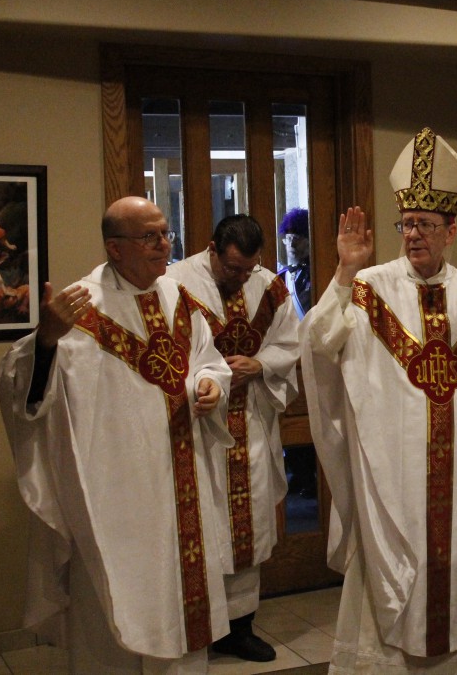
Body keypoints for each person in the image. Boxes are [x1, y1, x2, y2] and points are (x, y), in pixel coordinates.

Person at [300, 127, 457, 673]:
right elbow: (319, 345)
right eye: (407, 224)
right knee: (392, 574)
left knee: (455, 570)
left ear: (452, 230)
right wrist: (344, 271)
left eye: (426, 225)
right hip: (390, 469)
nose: (414, 234)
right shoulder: (368, 285)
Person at [0, 196, 234, 673]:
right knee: (113, 621)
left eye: (166, 233)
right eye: (150, 237)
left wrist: (211, 385)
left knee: (185, 624)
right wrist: (45, 339)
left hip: (182, 484)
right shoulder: (80, 309)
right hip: (116, 501)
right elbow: (19, 390)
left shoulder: (180, 301)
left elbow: (210, 362)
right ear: (115, 247)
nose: (164, 244)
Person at [167, 213, 300, 663]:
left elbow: (290, 344)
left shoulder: (270, 287)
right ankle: (203, 626)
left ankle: (240, 628)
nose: (242, 278)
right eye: (232, 269)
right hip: (200, 426)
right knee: (206, 526)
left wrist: (259, 365)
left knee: (252, 524)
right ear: (212, 250)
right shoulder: (175, 283)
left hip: (253, 421)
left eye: (249, 269)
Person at [278, 207, 311, 318]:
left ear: (308, 240)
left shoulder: (317, 273)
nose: (291, 245)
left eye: (296, 238)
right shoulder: (281, 276)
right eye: (289, 239)